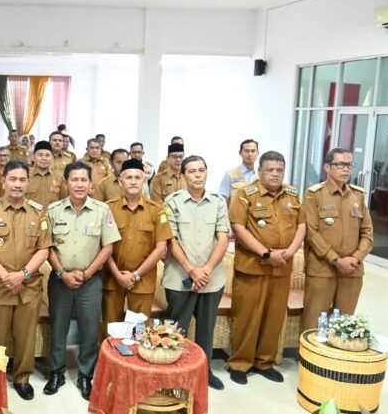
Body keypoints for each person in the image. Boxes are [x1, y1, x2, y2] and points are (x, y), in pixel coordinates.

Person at [0, 160, 52, 400]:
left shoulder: (38, 212)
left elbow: (44, 249)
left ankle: (22, 378)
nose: (17, 184)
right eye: (13, 179)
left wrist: (23, 274)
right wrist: (6, 276)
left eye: (22, 180)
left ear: (28, 182)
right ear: (3, 181)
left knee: (26, 336)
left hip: (28, 286)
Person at [227, 151, 305, 385]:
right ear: (259, 171)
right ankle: (240, 363)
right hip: (253, 266)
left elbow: (301, 225)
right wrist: (266, 253)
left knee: (273, 317)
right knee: (247, 316)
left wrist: (290, 251)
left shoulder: (291, 194)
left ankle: (264, 362)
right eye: (269, 170)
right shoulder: (245, 193)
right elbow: (238, 227)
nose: (274, 174)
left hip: (282, 266)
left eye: (279, 170)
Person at [44, 161, 120, 400]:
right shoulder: (53, 210)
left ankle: (86, 375)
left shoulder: (102, 210)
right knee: (58, 327)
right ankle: (56, 371)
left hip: (91, 281)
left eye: (83, 180)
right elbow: (46, 247)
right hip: (60, 279)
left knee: (89, 328)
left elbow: (108, 247)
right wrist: (62, 273)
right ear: (66, 183)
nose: (79, 184)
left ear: (90, 184)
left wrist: (87, 274)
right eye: (74, 180)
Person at [162, 156, 230, 390]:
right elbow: (171, 239)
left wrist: (206, 270)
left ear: (207, 173)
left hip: (211, 279)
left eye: (201, 170)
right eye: (192, 171)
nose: (198, 175)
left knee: (206, 328)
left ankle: (204, 371)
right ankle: (173, 371)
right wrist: (192, 270)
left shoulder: (217, 201)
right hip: (179, 276)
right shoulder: (173, 201)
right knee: (175, 328)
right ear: (183, 175)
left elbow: (223, 237)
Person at [301, 148, 373, 332]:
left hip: (352, 270)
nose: (346, 169)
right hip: (322, 268)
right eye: (340, 164)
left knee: (344, 323)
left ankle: (336, 360)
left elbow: (367, 233)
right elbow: (311, 232)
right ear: (327, 167)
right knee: (314, 321)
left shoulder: (357, 195)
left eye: (349, 165)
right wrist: (335, 259)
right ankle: (311, 361)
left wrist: (355, 258)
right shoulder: (314, 195)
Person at [103, 158, 171, 327]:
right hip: (112, 279)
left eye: (137, 177)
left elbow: (161, 248)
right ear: (120, 181)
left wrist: (136, 275)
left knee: (139, 330)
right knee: (110, 329)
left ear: (144, 180)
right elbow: (103, 247)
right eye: (128, 177)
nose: (133, 181)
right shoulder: (107, 208)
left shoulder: (156, 210)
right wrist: (118, 275)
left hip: (143, 280)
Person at [26, 141, 66, 207]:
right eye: (40, 155)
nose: (44, 158)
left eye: (47, 155)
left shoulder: (59, 178)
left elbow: (63, 201)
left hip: (52, 217)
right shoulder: (25, 177)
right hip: (29, 216)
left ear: (52, 158)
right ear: (33, 157)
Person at [219, 139, 260, 204]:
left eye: (253, 151)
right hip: (236, 213)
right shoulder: (230, 174)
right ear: (240, 153)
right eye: (247, 151)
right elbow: (223, 202)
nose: (250, 154)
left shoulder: (262, 175)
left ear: (257, 153)